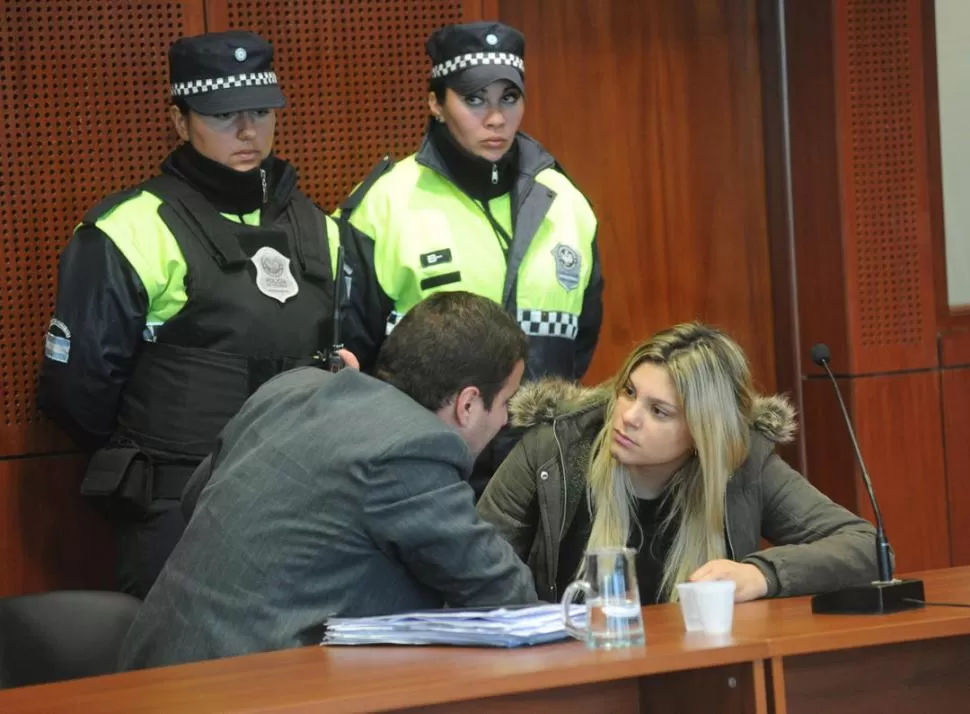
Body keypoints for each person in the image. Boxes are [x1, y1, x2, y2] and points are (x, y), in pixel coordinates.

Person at [37, 30, 369, 599]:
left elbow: (353, 352)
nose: (247, 131)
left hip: (307, 501)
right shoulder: (128, 230)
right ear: (180, 119)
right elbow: (77, 394)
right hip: (180, 507)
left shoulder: (325, 228)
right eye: (223, 115)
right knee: (185, 684)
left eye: (261, 111)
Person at [117, 291, 537, 670]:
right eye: (505, 402)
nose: (505, 420)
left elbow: (195, 500)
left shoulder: (291, 388)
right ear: (467, 404)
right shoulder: (414, 448)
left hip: (149, 671)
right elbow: (505, 595)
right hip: (253, 690)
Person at [339, 21, 604, 496]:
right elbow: (353, 358)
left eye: (509, 97)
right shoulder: (384, 204)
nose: (496, 118)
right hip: (424, 478)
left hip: (550, 476)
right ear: (436, 104)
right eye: (475, 99)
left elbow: (580, 342)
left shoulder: (566, 203)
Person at [477, 322, 879, 605]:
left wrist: (763, 575)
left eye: (659, 411)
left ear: (702, 434)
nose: (629, 416)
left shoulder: (742, 463)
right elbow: (475, 565)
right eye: (629, 392)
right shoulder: (554, 449)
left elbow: (866, 547)